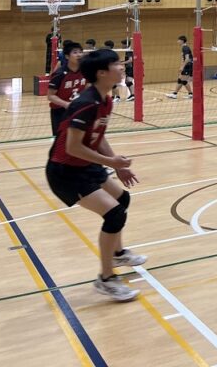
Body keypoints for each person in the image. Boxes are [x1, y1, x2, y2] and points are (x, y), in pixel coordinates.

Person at [45, 48, 146, 302]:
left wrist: (117, 165)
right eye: (116, 64)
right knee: (114, 214)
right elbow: (72, 147)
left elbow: (97, 137)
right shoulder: (86, 103)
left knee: (122, 200)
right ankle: (106, 279)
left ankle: (118, 254)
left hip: (85, 165)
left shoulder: (106, 99)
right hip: (65, 171)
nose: (122, 67)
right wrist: (111, 162)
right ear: (101, 73)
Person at [47, 40, 85, 136]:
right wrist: (66, 104)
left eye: (80, 52)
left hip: (78, 109)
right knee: (61, 140)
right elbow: (50, 96)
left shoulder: (85, 71)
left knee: (78, 138)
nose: (79, 55)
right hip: (60, 111)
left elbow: (88, 89)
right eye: (75, 52)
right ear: (67, 56)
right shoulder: (59, 74)